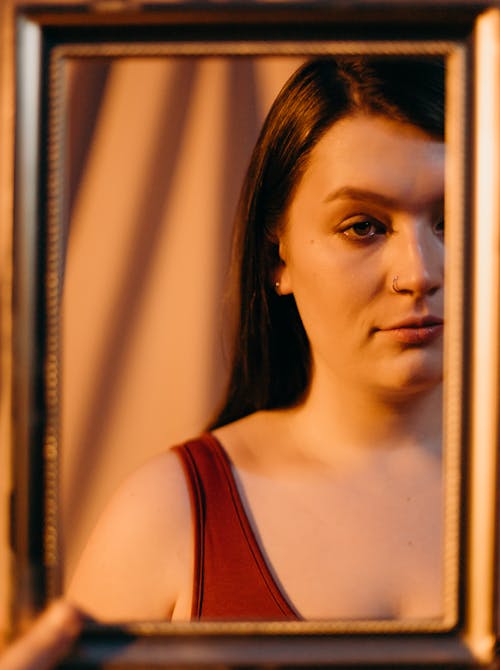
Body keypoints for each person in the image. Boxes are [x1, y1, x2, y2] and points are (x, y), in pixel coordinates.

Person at [68, 55, 445, 622]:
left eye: (457, 219)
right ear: (279, 257)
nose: (418, 273)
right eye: (362, 226)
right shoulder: (169, 516)